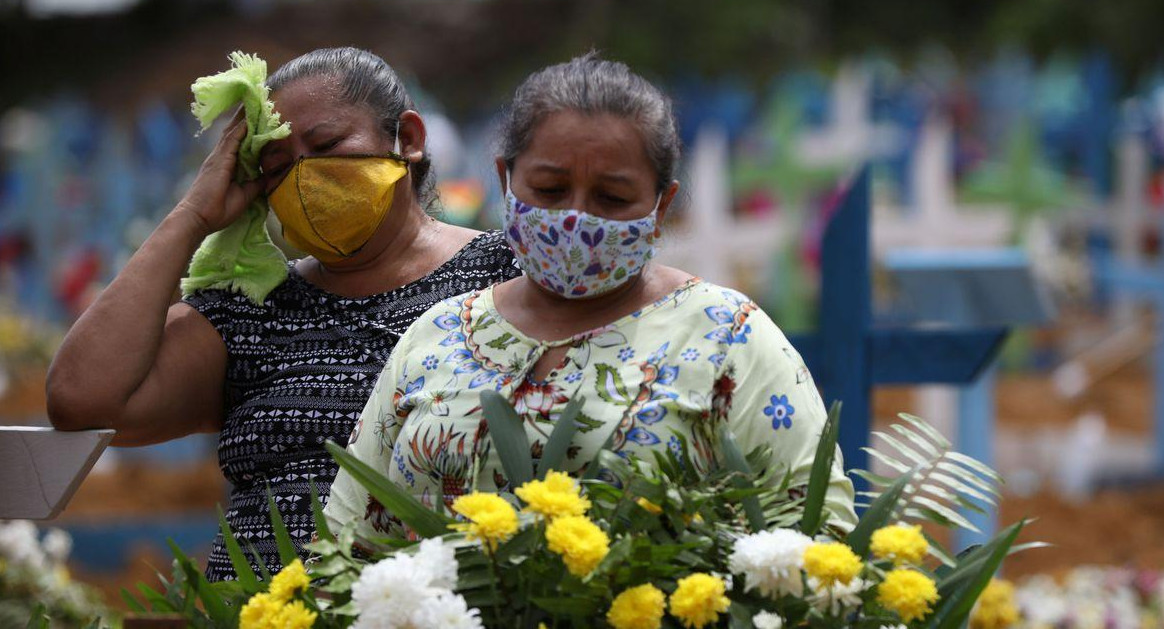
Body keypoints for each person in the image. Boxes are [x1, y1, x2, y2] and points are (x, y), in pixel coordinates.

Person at [325, 53, 857, 542]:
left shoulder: (725, 336)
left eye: (613, 197)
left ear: (661, 205)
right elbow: (348, 540)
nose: (576, 218)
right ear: (505, 180)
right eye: (551, 190)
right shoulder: (438, 336)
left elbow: (814, 536)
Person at [45, 47, 520, 581]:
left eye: (327, 145)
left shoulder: (507, 275)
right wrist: (192, 215)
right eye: (276, 167)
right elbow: (81, 401)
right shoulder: (251, 312)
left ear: (407, 140)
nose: (304, 176)